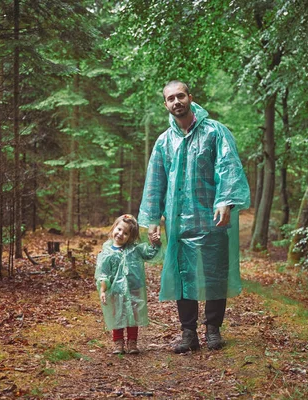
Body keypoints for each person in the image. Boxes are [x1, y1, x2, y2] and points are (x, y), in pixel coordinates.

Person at [138, 80, 250, 353]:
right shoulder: (164, 141)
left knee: (214, 273)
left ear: (190, 97)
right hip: (178, 220)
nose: (176, 102)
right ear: (165, 104)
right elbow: (155, 181)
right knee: (182, 273)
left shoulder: (215, 132)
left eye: (180, 96)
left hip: (212, 218)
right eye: (170, 98)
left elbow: (228, 166)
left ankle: (213, 329)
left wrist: (225, 201)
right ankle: (188, 332)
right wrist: (153, 217)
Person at [95, 214, 162, 354]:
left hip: (134, 288)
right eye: (119, 229)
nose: (120, 234)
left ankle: (132, 342)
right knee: (117, 315)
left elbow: (149, 253)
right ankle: (118, 343)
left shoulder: (135, 249)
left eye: (126, 233)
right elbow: (103, 274)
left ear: (131, 237)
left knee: (134, 315)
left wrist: (155, 244)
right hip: (115, 290)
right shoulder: (107, 252)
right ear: (114, 228)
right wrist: (103, 290)